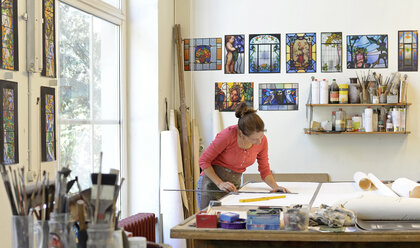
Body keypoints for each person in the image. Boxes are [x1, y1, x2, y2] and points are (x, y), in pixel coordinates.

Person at [196, 102, 290, 210]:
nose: (259, 141)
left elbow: (264, 169)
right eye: (255, 139)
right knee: (209, 221)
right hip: (210, 184)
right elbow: (203, 161)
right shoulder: (227, 135)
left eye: (261, 136)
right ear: (241, 133)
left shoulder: (262, 141)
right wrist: (220, 183)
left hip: (232, 186)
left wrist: (275, 186)